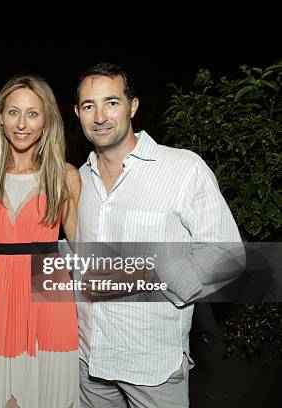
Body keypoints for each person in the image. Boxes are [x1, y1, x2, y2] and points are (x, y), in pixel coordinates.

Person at [73, 62, 245, 408]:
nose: (100, 116)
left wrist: (142, 275)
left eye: (112, 102)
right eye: (89, 106)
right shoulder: (79, 178)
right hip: (90, 362)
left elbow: (228, 255)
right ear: (77, 113)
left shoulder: (182, 169)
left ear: (132, 106)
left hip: (152, 365)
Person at [0, 75, 81, 408]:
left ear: (46, 120)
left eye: (33, 113)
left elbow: (87, 252)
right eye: (13, 112)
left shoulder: (65, 176)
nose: (22, 124)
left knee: (49, 398)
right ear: (0, 119)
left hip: (49, 299)